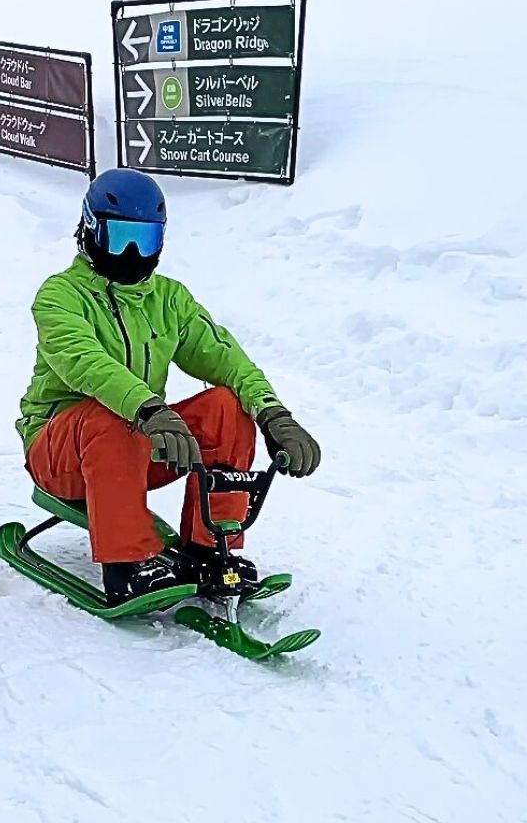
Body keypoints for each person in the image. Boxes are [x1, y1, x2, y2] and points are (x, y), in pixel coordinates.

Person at [16, 168, 321, 604]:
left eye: (147, 239)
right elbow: (85, 363)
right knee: (112, 413)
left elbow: (227, 359)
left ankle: (208, 549)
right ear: (89, 231)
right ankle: (127, 563)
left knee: (227, 407)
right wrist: (149, 409)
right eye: (120, 237)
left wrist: (273, 413)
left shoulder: (169, 299)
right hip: (60, 453)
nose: (133, 253)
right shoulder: (60, 296)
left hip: (136, 446)